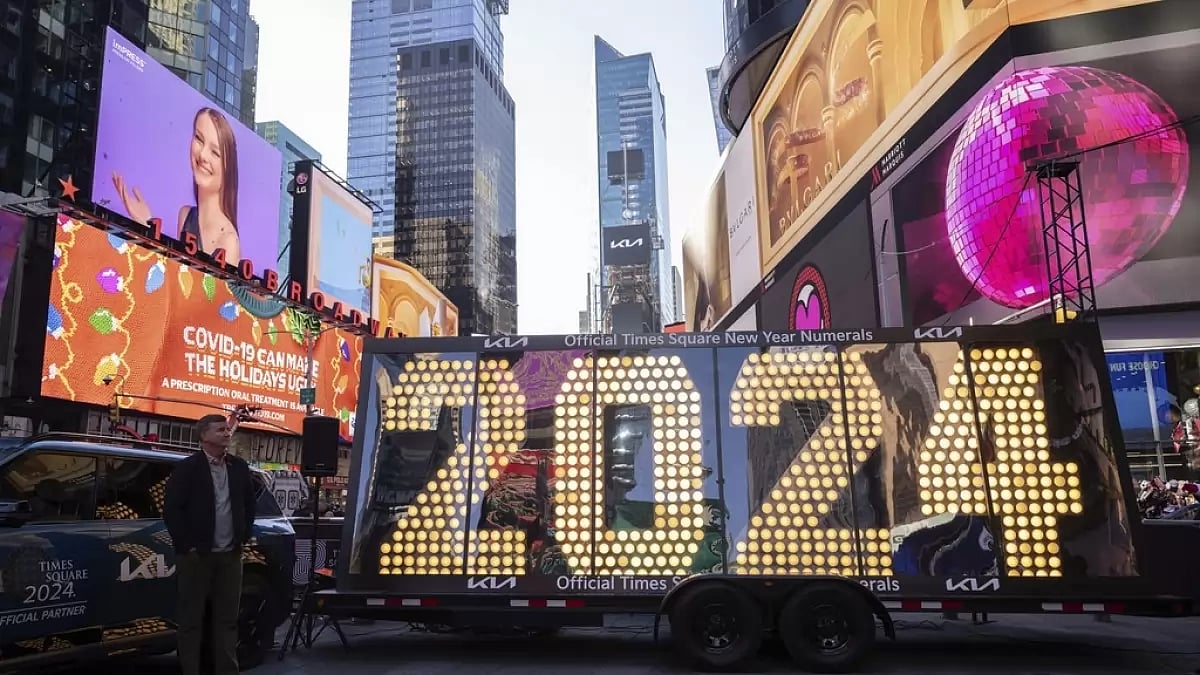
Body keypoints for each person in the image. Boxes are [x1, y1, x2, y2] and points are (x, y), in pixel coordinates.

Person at [164, 411, 257, 675]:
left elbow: (249, 506)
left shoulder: (238, 467)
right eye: (220, 430)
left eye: (227, 429)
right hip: (196, 556)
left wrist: (243, 535)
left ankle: (227, 670)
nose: (227, 433)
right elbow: (172, 510)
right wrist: (188, 547)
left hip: (230, 556)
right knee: (191, 621)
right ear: (204, 436)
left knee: (227, 620)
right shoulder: (188, 468)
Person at [112, 106, 242, 261]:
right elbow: (178, 274)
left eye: (215, 152)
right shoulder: (186, 215)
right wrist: (147, 224)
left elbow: (197, 283)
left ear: (228, 169)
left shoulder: (229, 241)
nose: (203, 155)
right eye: (199, 139)